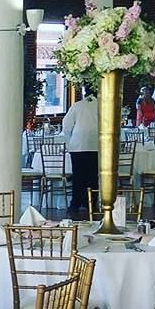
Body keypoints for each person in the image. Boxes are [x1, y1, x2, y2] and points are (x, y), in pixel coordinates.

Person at [62, 87, 98, 217]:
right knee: (93, 176)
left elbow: (66, 125)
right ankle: (91, 203)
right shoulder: (102, 106)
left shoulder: (77, 106)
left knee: (78, 176)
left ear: (85, 92)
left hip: (78, 146)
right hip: (96, 145)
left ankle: (75, 204)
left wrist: (69, 141)